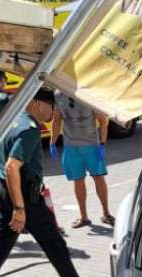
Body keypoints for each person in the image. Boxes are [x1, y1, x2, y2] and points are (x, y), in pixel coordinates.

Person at [0, 88, 108, 277]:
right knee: (54, 244)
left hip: (5, 191)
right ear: (37, 103)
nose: (53, 113)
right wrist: (20, 209)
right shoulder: (29, 130)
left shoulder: (12, 121)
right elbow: (13, 166)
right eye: (51, 108)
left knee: (1, 244)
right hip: (24, 197)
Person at [50, 92, 113, 229]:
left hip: (91, 146)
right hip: (71, 147)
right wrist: (52, 142)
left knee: (98, 177)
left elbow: (103, 120)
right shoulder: (58, 95)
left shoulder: (87, 94)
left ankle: (106, 214)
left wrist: (102, 144)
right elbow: (57, 120)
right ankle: (84, 217)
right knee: (78, 180)